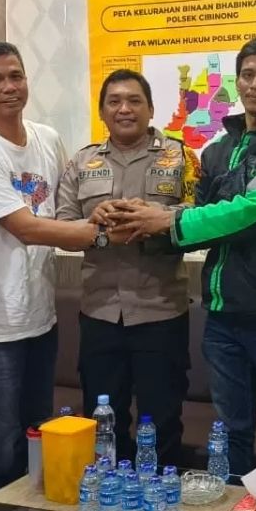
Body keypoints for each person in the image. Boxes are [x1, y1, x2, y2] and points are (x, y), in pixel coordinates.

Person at [109, 37, 256, 475]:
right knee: (231, 435)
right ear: (237, 82)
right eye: (248, 75)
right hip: (223, 316)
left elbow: (254, 212)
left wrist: (167, 220)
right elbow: (198, 220)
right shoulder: (217, 150)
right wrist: (134, 221)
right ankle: (235, 509)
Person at [0, 40, 101, 501]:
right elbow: (27, 228)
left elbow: (66, 207)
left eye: (15, 75)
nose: (8, 87)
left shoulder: (47, 139)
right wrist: (100, 233)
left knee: (38, 434)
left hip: (41, 318)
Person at [56, 68, 201, 466]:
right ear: (102, 111)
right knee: (103, 423)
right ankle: (109, 497)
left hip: (161, 314)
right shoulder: (82, 162)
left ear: (151, 109)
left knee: (163, 422)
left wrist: (154, 221)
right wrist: (96, 225)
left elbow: (202, 221)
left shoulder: (181, 158)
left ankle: (160, 498)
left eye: (135, 100)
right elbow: (63, 227)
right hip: (100, 314)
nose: (124, 109)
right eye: (114, 101)